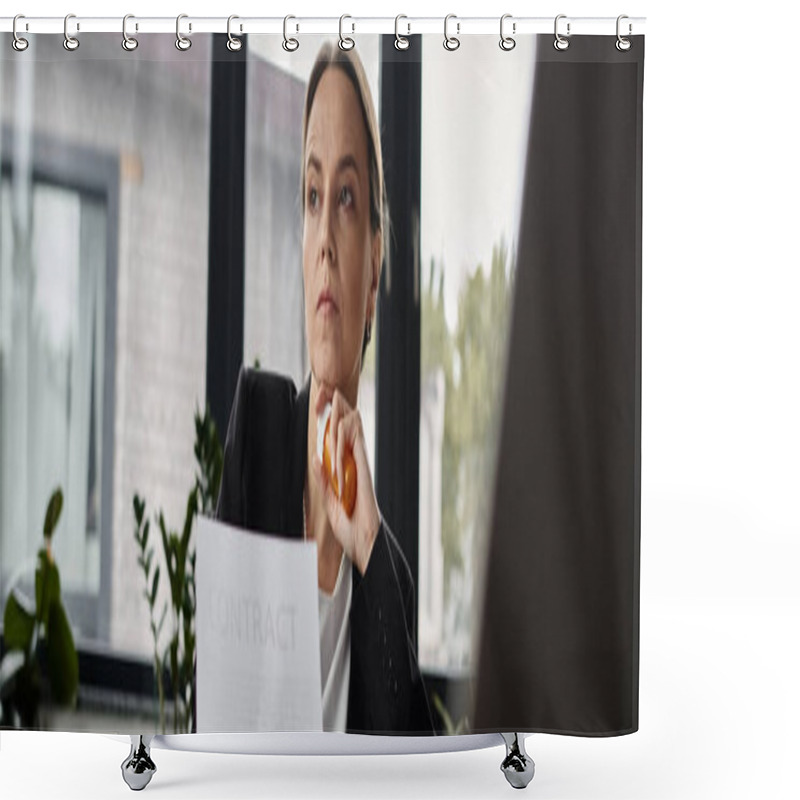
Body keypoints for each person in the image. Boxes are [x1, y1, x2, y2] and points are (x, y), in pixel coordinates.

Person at [215, 40, 436, 736]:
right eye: (312, 197)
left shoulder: (388, 569)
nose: (325, 242)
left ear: (373, 275)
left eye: (345, 199)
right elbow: (212, 715)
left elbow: (420, 768)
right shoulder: (257, 427)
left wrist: (365, 543)